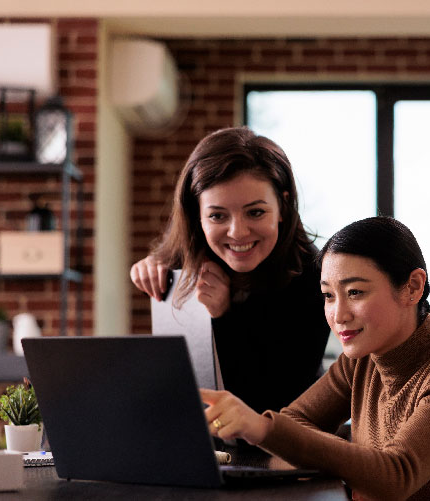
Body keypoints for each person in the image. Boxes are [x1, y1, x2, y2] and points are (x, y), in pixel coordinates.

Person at [200, 217, 430, 500]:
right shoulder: (362, 359)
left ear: (412, 287)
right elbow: (296, 421)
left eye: (355, 292)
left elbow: (398, 475)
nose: (338, 315)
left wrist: (262, 428)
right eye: (328, 295)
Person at [130, 126, 330, 413]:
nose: (237, 232)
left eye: (256, 212)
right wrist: (152, 267)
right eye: (217, 215)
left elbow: (272, 404)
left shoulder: (315, 278)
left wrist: (224, 316)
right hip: (203, 441)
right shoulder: (185, 261)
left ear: (283, 206)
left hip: (285, 443)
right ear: (196, 216)